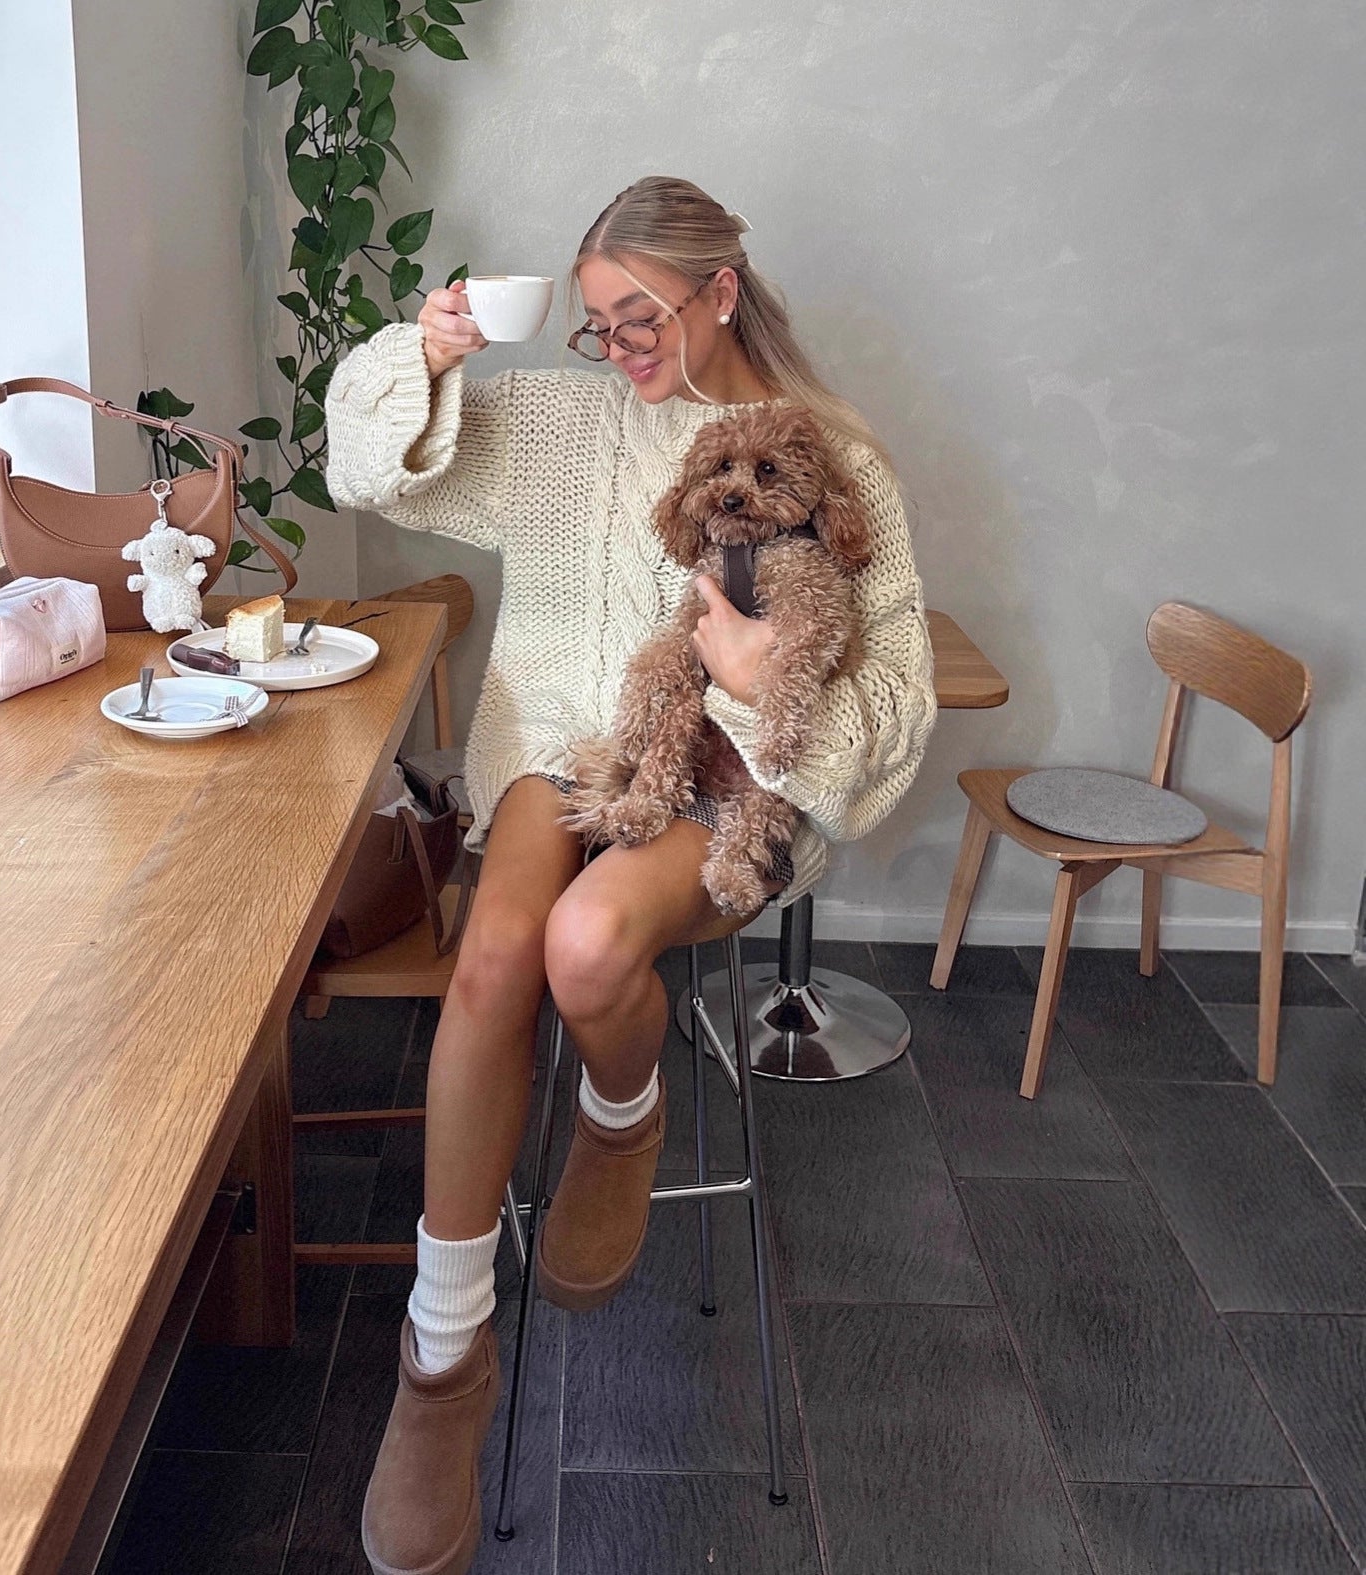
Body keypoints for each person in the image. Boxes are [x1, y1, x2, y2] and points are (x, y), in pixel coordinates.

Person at [326, 174, 937, 1575]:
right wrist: (422, 354)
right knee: (494, 955)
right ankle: (442, 1356)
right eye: (597, 325)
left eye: (639, 318)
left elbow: (902, 693)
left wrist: (761, 679)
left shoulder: (835, 457)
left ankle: (623, 1108)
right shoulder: (560, 423)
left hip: (740, 779)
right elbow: (364, 469)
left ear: (721, 290)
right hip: (564, 741)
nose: (616, 350)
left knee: (590, 946)